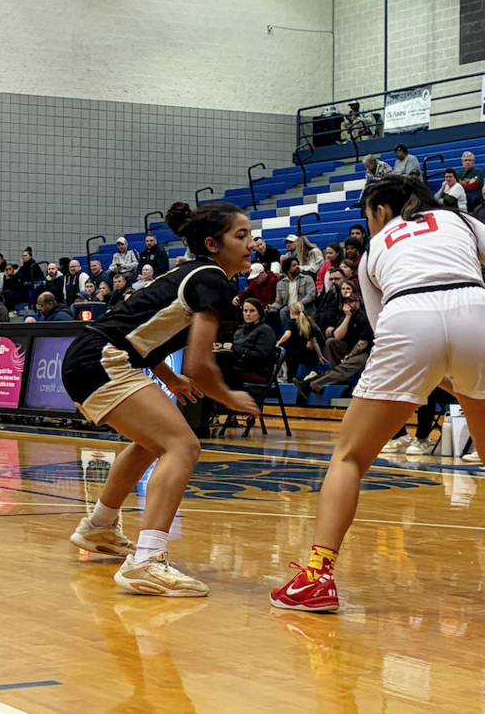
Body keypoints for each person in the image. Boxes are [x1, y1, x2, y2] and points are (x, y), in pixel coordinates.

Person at [270, 177, 485, 611]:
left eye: (368, 215)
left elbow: (383, 325)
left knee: (350, 456)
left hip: (407, 314)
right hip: (479, 314)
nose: (368, 223)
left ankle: (317, 577)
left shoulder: (374, 249)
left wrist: (435, 371)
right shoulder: (458, 218)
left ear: (382, 211)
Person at [63, 201, 260, 597]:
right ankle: (147, 562)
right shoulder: (212, 278)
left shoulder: (189, 273)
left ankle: (99, 527)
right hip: (103, 359)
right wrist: (229, 396)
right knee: (183, 445)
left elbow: (146, 330)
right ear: (212, 243)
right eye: (240, 236)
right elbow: (202, 363)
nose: (251, 243)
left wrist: (169, 376)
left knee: (153, 443)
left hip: (91, 356)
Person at [215, 299, 277, 387]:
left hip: (257, 372)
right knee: (212, 369)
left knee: (221, 373)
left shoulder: (265, 331)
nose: (248, 314)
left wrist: (234, 348)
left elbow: (260, 357)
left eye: (252, 311)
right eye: (245, 311)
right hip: (241, 368)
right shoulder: (240, 330)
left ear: (259, 313)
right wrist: (220, 346)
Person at [272, 256, 316, 330]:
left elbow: (311, 295)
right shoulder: (280, 284)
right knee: (274, 313)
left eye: (297, 264)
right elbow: (278, 302)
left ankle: (288, 334)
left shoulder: (307, 279)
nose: (297, 267)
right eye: (294, 265)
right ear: (287, 269)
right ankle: (287, 335)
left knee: (283, 311)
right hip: (288, 310)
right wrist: (271, 307)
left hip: (303, 308)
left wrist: (296, 306)